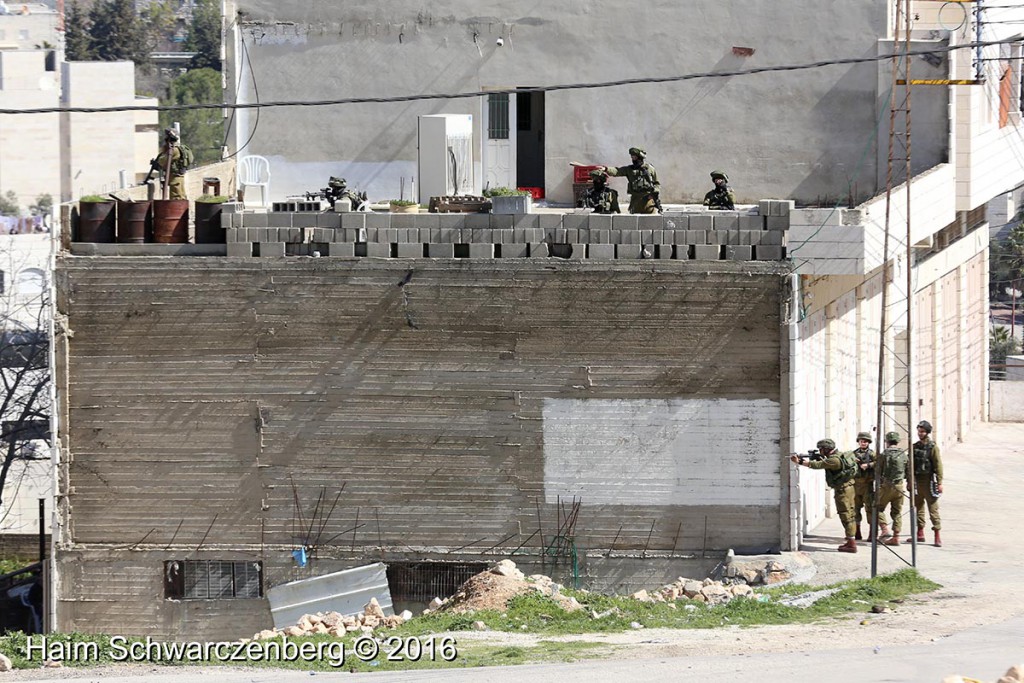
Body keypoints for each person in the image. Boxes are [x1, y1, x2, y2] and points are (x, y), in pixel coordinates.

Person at [791, 438, 859, 553]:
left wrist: (799, 462)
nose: (820, 451)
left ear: (826, 449)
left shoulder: (834, 461)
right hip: (849, 488)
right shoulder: (840, 455)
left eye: (821, 449)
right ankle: (850, 539)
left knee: (846, 515)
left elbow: (818, 465)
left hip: (843, 491)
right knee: (850, 513)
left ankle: (851, 544)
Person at [905, 420, 944, 547]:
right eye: (919, 431)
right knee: (918, 508)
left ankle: (937, 535)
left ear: (927, 432)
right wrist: (909, 481)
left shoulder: (932, 447)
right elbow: (910, 465)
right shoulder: (914, 447)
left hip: (928, 481)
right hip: (917, 481)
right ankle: (920, 533)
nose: (920, 433)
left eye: (922, 431)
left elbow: (938, 465)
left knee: (933, 509)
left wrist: (940, 482)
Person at [598, 147, 660, 214]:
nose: (633, 159)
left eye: (634, 157)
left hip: (648, 200)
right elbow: (617, 171)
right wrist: (606, 169)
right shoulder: (629, 169)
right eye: (632, 157)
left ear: (640, 157)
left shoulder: (650, 169)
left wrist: (655, 192)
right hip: (635, 201)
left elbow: (656, 183)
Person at [851, 431, 889, 541]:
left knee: (870, 510)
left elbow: (879, 463)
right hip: (856, 485)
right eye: (861, 441)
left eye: (865, 441)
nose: (863, 443)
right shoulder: (853, 454)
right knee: (855, 510)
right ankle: (856, 531)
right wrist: (854, 462)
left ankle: (872, 534)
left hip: (867, 485)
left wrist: (868, 465)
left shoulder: (872, 454)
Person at [875, 431, 908, 546]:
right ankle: (896, 537)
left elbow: (878, 471)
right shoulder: (903, 454)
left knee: (877, 507)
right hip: (899, 486)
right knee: (897, 512)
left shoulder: (884, 454)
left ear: (887, 442)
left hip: (887, 486)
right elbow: (908, 471)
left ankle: (884, 529)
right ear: (898, 441)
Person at [152, 128, 190, 200]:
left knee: (176, 198)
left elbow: (161, 161)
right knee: (181, 196)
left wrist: (163, 152)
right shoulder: (180, 148)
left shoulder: (174, 150)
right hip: (179, 177)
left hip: (174, 178)